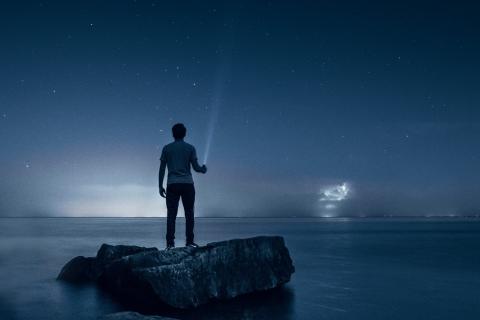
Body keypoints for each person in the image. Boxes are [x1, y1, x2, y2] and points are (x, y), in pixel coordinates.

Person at [158, 123, 207, 250]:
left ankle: (170, 244)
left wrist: (160, 186)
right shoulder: (190, 148)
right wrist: (203, 169)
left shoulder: (167, 148)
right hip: (187, 184)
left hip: (172, 184)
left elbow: (162, 169)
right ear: (184, 134)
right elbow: (196, 168)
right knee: (189, 214)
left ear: (173, 134)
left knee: (171, 215)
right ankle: (189, 241)